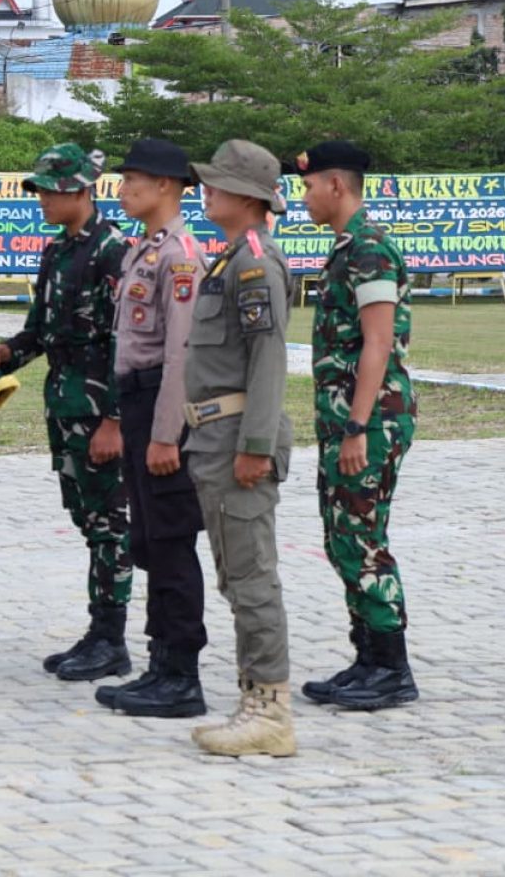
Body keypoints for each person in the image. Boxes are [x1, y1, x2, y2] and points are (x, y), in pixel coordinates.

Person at [0, 143, 133, 682]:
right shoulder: (57, 252)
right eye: (40, 191)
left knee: (110, 526)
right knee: (87, 520)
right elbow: (40, 331)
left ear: (81, 190)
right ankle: (98, 632)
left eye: (51, 191)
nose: (43, 200)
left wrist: (115, 421)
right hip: (64, 406)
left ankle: (112, 638)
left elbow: (128, 341)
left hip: (100, 414)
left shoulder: (113, 251)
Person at [181, 139, 295, 758]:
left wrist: (255, 444)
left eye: (219, 184)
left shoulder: (254, 263)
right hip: (214, 438)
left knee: (252, 578)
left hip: (236, 441)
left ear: (248, 197)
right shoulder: (231, 259)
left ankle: (271, 712)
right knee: (236, 576)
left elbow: (268, 359)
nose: (208, 191)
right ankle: (253, 699)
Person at [299, 139, 418, 712]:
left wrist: (357, 427)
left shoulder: (369, 249)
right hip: (349, 418)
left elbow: (378, 343)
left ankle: (391, 668)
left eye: (308, 186)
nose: (304, 197)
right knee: (344, 537)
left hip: (369, 421)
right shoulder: (348, 248)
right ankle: (367, 659)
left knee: (363, 540)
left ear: (335, 185)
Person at [94, 139, 208, 718]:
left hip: (163, 406)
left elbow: (182, 354)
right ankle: (160, 663)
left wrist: (167, 434)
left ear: (165, 185)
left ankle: (182, 674)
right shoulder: (144, 248)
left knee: (169, 539)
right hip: (137, 402)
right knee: (148, 539)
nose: (122, 190)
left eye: (132, 180)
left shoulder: (180, 256)